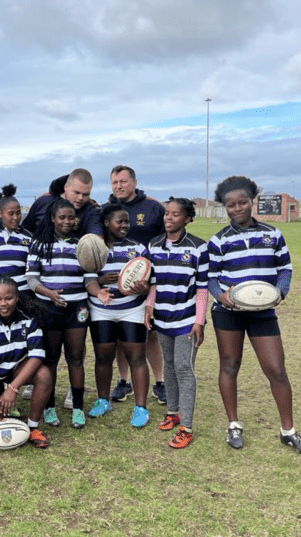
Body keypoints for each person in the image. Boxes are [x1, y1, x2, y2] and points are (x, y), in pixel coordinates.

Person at [208, 175, 301, 455]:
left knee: (277, 369)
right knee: (229, 366)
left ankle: (288, 431)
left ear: (251, 202)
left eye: (243, 202)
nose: (238, 208)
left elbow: (285, 268)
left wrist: (280, 292)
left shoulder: (272, 233)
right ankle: (234, 424)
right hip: (228, 313)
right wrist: (221, 296)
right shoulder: (218, 240)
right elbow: (211, 277)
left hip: (263, 312)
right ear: (225, 207)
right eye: (231, 205)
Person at [145, 198, 209, 449]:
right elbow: (153, 281)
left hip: (187, 321)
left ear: (188, 219)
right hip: (163, 318)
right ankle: (173, 413)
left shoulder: (198, 248)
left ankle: (187, 427)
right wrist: (149, 306)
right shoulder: (154, 245)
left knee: (184, 368)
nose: (168, 218)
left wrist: (200, 321)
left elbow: (202, 287)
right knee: (169, 366)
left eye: (175, 214)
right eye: (166, 214)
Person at [84, 204, 152, 427]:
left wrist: (142, 288)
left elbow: (150, 281)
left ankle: (141, 408)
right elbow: (87, 278)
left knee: (137, 358)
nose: (124, 226)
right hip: (101, 309)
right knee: (103, 357)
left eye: (127, 222)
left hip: (131, 309)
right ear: (106, 222)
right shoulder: (94, 246)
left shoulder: (138, 248)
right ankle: (103, 400)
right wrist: (99, 284)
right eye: (119, 221)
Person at [106, 165, 167, 406]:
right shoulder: (106, 209)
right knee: (121, 336)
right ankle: (123, 381)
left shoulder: (152, 207)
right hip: (119, 286)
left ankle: (160, 382)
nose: (118, 186)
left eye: (122, 181)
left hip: (148, 283)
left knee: (151, 333)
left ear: (134, 182)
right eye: (114, 182)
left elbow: (167, 237)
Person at [26, 199, 89, 429]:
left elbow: (89, 276)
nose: (66, 221)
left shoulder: (82, 244)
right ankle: (49, 407)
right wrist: (49, 293)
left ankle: (78, 409)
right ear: (53, 218)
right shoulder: (39, 244)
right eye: (61, 217)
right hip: (48, 308)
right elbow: (31, 279)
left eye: (70, 218)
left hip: (76, 308)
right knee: (51, 359)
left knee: (75, 358)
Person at [0, 278, 53, 448]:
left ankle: (33, 428)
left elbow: (37, 356)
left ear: (17, 297)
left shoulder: (29, 318)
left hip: (16, 370)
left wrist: (12, 388)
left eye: (8, 298)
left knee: (44, 374)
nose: (3, 303)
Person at [0, 184, 34, 307]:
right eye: (11, 213)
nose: (16, 218)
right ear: (0, 214)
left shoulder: (29, 238)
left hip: (21, 299)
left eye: (18, 213)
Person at [21, 169, 101, 237]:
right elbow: (24, 232)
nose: (81, 198)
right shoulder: (43, 202)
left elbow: (96, 239)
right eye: (77, 193)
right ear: (66, 187)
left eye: (86, 194)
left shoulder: (92, 211)